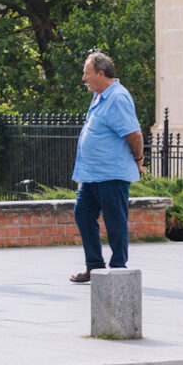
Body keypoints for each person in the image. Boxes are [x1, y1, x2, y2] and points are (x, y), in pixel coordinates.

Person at [69, 50, 143, 284]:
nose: (84, 78)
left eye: (87, 73)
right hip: (91, 175)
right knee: (83, 214)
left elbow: (134, 134)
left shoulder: (117, 98)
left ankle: (119, 267)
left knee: (115, 221)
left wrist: (139, 160)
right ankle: (95, 266)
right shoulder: (101, 95)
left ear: (101, 73)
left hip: (111, 173)